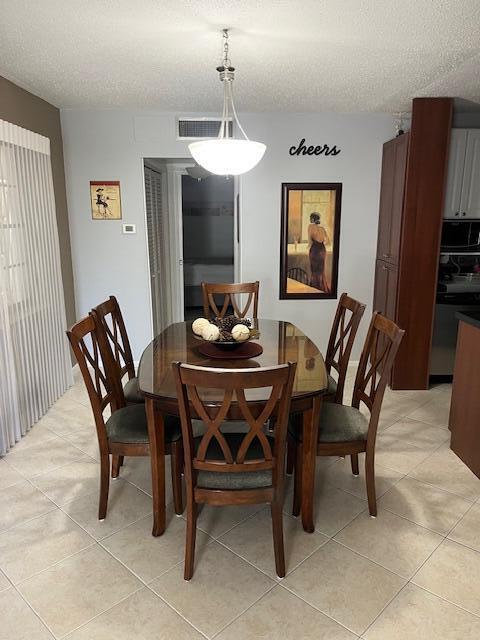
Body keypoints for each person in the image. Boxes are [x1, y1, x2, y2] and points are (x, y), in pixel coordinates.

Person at [308, 212, 330, 292]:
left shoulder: (310, 227)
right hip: (322, 249)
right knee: (321, 270)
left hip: (315, 250)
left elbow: (310, 242)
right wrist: (321, 241)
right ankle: (322, 287)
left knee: (314, 270)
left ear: (313, 219)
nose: (309, 219)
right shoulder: (322, 229)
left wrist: (311, 246)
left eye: (310, 217)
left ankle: (314, 287)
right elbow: (328, 242)